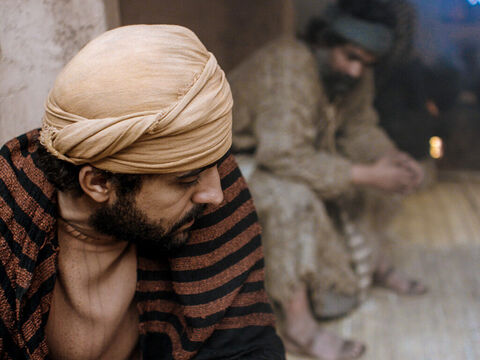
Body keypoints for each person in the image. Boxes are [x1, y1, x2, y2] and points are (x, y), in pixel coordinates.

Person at [0, 25, 285, 359]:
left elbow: (246, 343)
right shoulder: (10, 228)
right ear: (99, 184)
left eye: (215, 164)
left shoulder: (207, 187)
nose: (215, 194)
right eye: (186, 179)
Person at [228, 0, 426, 359]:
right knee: (292, 198)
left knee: (378, 174)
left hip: (284, 155)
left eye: (367, 63)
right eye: (350, 56)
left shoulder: (353, 74)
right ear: (325, 41)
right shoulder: (290, 64)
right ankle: (299, 326)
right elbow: (282, 154)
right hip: (238, 161)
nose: (355, 70)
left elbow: (360, 128)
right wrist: (367, 175)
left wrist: (389, 160)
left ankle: (375, 263)